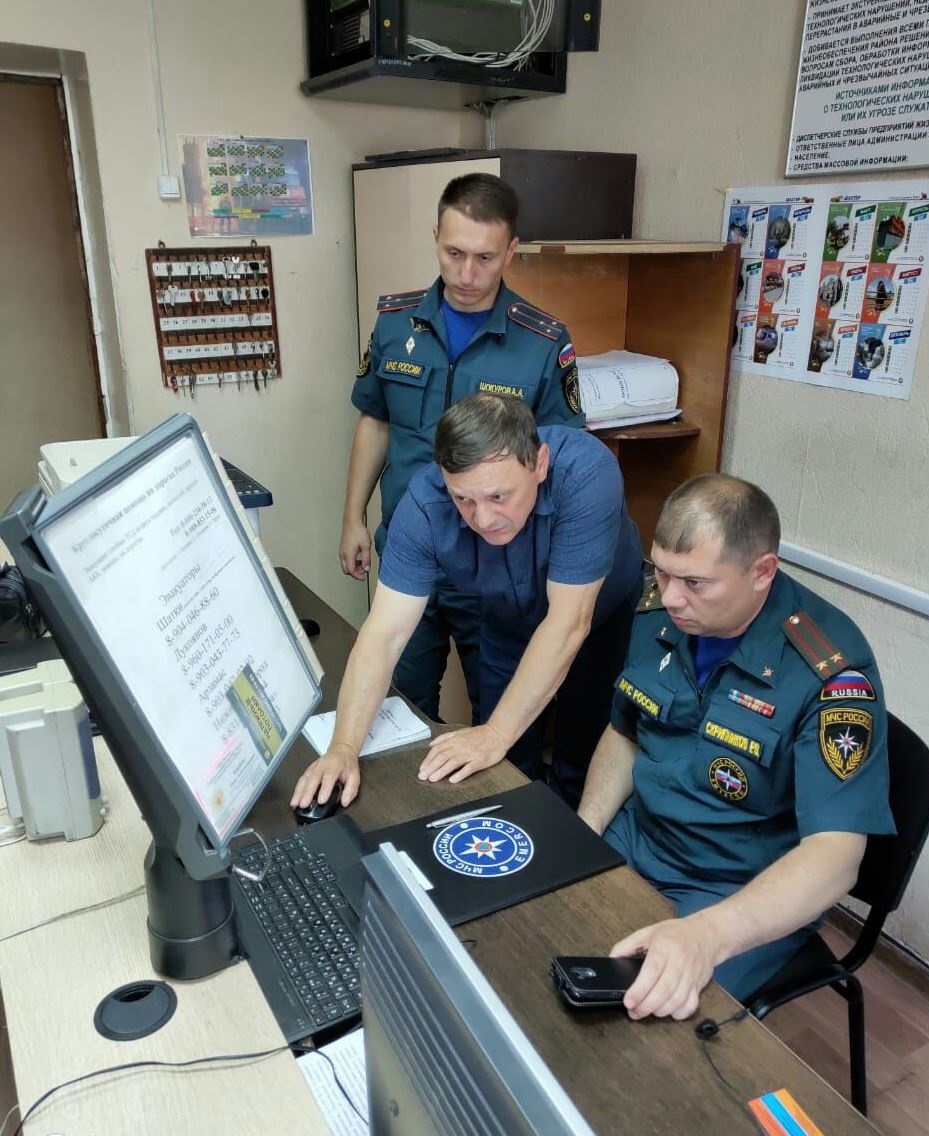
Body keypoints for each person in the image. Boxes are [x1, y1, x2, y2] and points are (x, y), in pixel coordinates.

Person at [577, 473, 894, 1019]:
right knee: (530, 936)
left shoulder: (831, 672)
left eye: (695, 582)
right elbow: (625, 734)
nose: (671, 596)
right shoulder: (661, 611)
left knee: (635, 1022)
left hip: (734, 886)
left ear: (762, 572)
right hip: (641, 839)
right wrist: (582, 832)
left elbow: (836, 858)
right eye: (663, 572)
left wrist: (707, 935)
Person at [295, 393, 641, 812]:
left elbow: (568, 623)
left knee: (580, 756)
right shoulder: (425, 502)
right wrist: (343, 747)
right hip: (505, 622)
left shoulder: (587, 472)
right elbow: (384, 634)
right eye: (464, 500)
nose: (483, 519)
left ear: (541, 463)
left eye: (499, 497)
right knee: (504, 764)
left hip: (595, 625)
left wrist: (496, 733)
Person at [340, 173, 584, 724]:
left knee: (502, 716)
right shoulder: (394, 322)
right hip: (411, 550)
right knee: (399, 707)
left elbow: (559, 459)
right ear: (435, 239)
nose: (468, 274)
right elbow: (375, 421)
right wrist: (352, 517)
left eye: (485, 258)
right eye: (454, 253)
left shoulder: (542, 342)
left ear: (511, 251)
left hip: (500, 566)